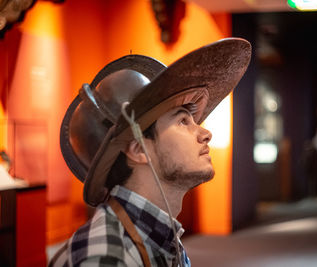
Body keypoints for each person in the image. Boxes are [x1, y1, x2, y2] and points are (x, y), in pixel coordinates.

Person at [49, 38, 251, 266]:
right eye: (183, 121)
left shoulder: (160, 237)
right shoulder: (108, 256)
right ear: (138, 149)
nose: (205, 134)